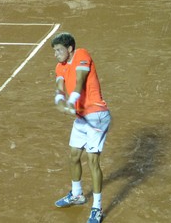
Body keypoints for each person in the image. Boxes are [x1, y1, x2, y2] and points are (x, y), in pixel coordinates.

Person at [51, 32, 111, 223]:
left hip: (97, 115)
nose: (56, 54)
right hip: (82, 117)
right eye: (54, 51)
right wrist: (60, 100)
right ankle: (77, 194)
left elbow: (80, 81)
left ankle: (97, 208)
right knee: (74, 156)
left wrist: (72, 100)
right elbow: (60, 86)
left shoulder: (82, 55)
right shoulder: (60, 66)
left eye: (59, 50)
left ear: (69, 49)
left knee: (92, 161)